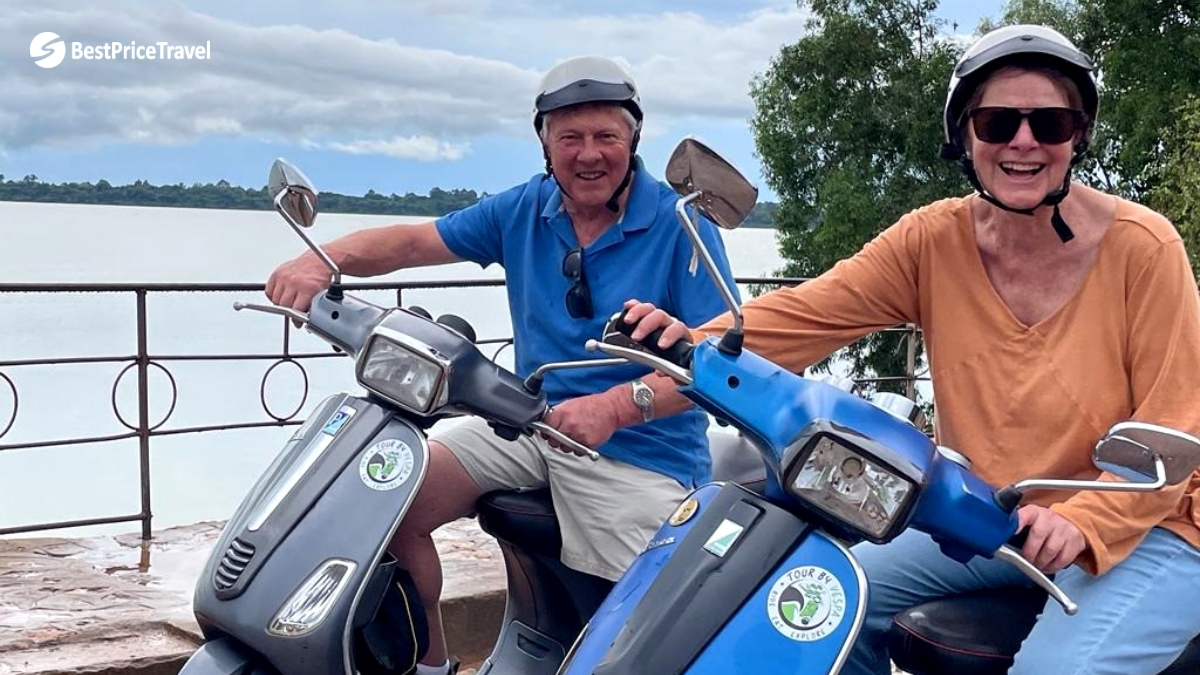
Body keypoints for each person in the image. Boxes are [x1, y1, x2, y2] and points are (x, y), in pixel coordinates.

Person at [618, 25, 1200, 675]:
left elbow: (1174, 425)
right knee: (814, 603)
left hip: (1155, 524)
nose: (1024, 141)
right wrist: (683, 345)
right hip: (999, 518)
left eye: (1051, 123)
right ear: (965, 136)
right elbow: (806, 314)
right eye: (997, 122)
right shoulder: (933, 241)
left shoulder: (1144, 248)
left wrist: (1086, 519)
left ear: (1077, 137)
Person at [265, 56, 737, 675]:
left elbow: (721, 362)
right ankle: (429, 666)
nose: (588, 154)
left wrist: (614, 408)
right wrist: (321, 261)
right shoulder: (526, 208)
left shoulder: (681, 224)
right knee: (384, 501)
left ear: (633, 141)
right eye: (570, 137)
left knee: (659, 622)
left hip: (640, 452)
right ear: (545, 144)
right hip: (529, 422)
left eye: (606, 136)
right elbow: (415, 241)